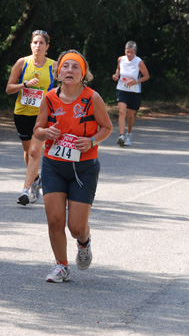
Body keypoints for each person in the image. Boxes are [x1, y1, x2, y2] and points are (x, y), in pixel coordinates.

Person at [33, 50, 113, 283]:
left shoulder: (92, 98)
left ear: (83, 74)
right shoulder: (49, 98)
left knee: (76, 227)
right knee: (54, 220)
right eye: (65, 67)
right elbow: (37, 130)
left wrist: (91, 141)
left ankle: (84, 243)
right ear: (58, 72)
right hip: (54, 166)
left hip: (84, 167)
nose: (69, 70)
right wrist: (46, 132)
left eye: (75, 67)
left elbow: (106, 128)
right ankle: (61, 266)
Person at [5, 30, 55, 205]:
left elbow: (65, 87)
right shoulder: (22, 63)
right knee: (28, 153)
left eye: (41, 43)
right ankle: (35, 180)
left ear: (47, 47)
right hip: (22, 113)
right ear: (31, 45)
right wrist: (23, 85)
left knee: (35, 151)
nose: (37, 46)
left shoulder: (53, 66)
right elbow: (9, 89)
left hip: (42, 115)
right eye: (35, 42)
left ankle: (25, 191)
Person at [112, 41, 149, 146]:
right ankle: (121, 135)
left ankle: (129, 134)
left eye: (131, 52)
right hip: (122, 89)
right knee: (122, 112)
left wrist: (135, 81)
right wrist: (116, 75)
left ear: (135, 52)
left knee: (131, 115)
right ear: (125, 51)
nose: (129, 54)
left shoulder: (139, 62)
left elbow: (146, 76)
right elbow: (118, 70)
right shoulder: (121, 59)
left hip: (134, 91)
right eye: (127, 52)